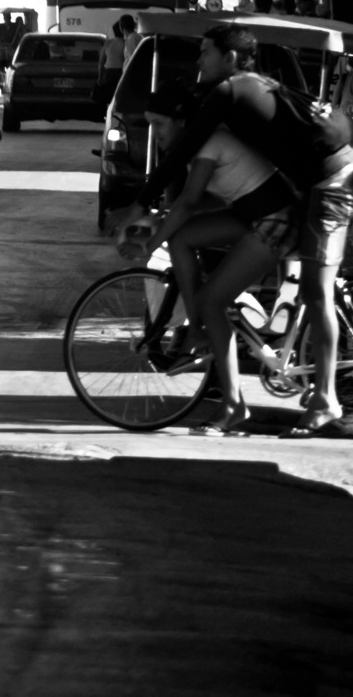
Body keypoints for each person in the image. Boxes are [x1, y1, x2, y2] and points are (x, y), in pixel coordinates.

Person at [126, 23, 353, 438]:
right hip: (310, 188)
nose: (198, 62)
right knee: (196, 251)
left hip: (332, 184)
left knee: (316, 293)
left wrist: (142, 203)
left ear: (230, 58)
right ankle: (211, 347)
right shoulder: (251, 87)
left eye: (205, 53)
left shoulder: (230, 91)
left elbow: (184, 148)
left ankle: (325, 399)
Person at [120, 82, 292, 434]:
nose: (155, 133)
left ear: (182, 121)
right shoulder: (206, 143)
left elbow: (187, 203)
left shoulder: (209, 144)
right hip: (251, 215)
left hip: (275, 221)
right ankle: (198, 325)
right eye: (149, 124)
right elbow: (203, 204)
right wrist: (161, 225)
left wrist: (152, 243)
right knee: (183, 239)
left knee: (214, 303)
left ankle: (233, 408)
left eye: (160, 124)